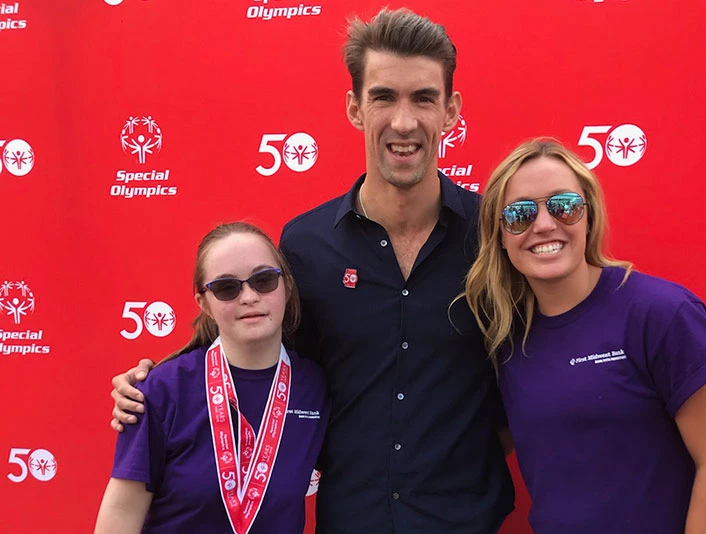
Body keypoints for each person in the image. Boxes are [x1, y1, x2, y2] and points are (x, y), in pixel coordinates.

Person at [109, 8, 514, 534]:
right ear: (354, 108)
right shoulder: (306, 244)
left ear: (450, 110)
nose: (404, 122)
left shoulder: (494, 237)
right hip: (350, 520)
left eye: (423, 98)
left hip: (465, 521)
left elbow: (539, 360)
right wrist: (153, 380)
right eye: (383, 97)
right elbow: (260, 345)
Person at [463, 138, 706, 534]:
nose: (544, 225)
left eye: (563, 206)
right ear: (501, 236)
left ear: (589, 216)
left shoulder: (661, 313)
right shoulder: (507, 338)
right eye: (519, 214)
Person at [96, 222, 329, 534]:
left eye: (263, 280)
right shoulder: (161, 390)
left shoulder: (315, 386)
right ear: (203, 303)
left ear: (286, 285)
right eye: (226, 287)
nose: (249, 297)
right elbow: (121, 514)